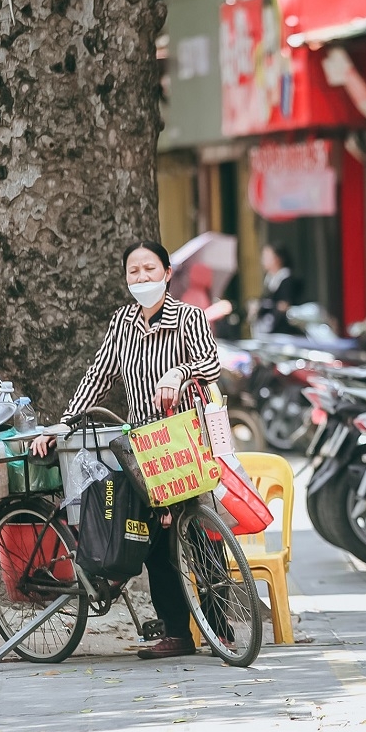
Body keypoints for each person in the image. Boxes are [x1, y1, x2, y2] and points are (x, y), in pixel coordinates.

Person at [31, 241, 222, 660]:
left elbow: (211, 364)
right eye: (133, 271)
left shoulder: (188, 318)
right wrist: (65, 421)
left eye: (149, 269)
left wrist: (179, 372)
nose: (142, 278)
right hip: (144, 448)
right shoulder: (123, 322)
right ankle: (177, 632)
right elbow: (97, 375)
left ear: (167, 273)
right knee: (156, 540)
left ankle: (221, 628)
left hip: (185, 439)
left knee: (201, 531)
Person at [254, 243, 304, 336]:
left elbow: (284, 305)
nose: (263, 260)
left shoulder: (287, 280)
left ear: (277, 259)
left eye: (267, 257)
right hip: (269, 330)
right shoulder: (269, 280)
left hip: (285, 331)